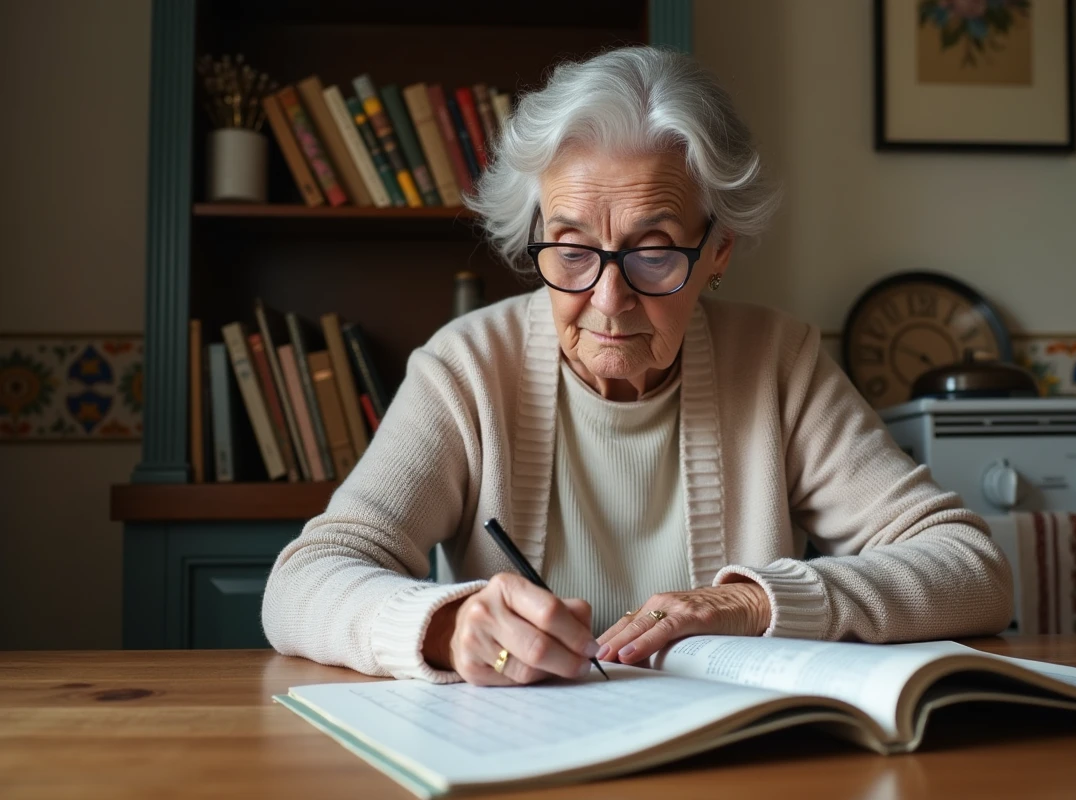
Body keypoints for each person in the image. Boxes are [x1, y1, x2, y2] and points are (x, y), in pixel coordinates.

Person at [262, 46, 1012, 687]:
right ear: (536, 244)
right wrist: (447, 624)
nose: (608, 299)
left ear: (717, 252)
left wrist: (752, 603)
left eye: (654, 253)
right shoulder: (467, 368)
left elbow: (972, 568)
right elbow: (302, 581)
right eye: (572, 249)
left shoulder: (779, 363)